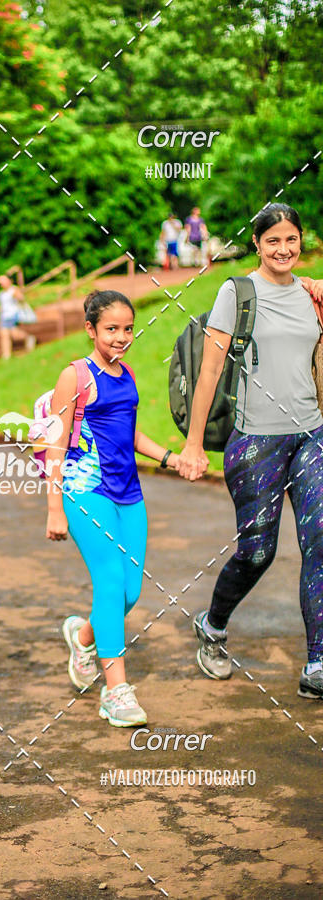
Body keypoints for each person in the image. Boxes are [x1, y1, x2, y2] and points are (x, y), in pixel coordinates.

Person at [178, 203, 323, 700]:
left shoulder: (311, 294)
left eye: (291, 239)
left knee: (320, 542)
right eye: (273, 240)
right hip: (256, 441)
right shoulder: (237, 293)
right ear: (257, 244)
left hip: (311, 435)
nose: (283, 249)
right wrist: (193, 443)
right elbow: (210, 370)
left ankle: (318, 663)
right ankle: (213, 624)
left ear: (301, 241)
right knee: (258, 553)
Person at [45, 289, 180, 727]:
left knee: (130, 592)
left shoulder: (128, 373)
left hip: (129, 493)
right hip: (85, 490)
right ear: (91, 329)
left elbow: (131, 435)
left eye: (128, 329)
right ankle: (116, 691)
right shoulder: (75, 376)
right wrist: (54, 507)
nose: (121, 337)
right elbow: (55, 443)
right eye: (111, 329)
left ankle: (84, 638)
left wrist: (171, 458)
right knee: (109, 580)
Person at [0, 274, 35, 359]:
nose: (1, 283)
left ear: (9, 281)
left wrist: (18, 296)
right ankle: (6, 355)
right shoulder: (1, 294)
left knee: (14, 334)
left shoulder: (13, 289)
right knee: (4, 335)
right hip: (4, 316)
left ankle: (29, 337)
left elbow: (21, 298)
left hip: (13, 315)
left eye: (3, 281)